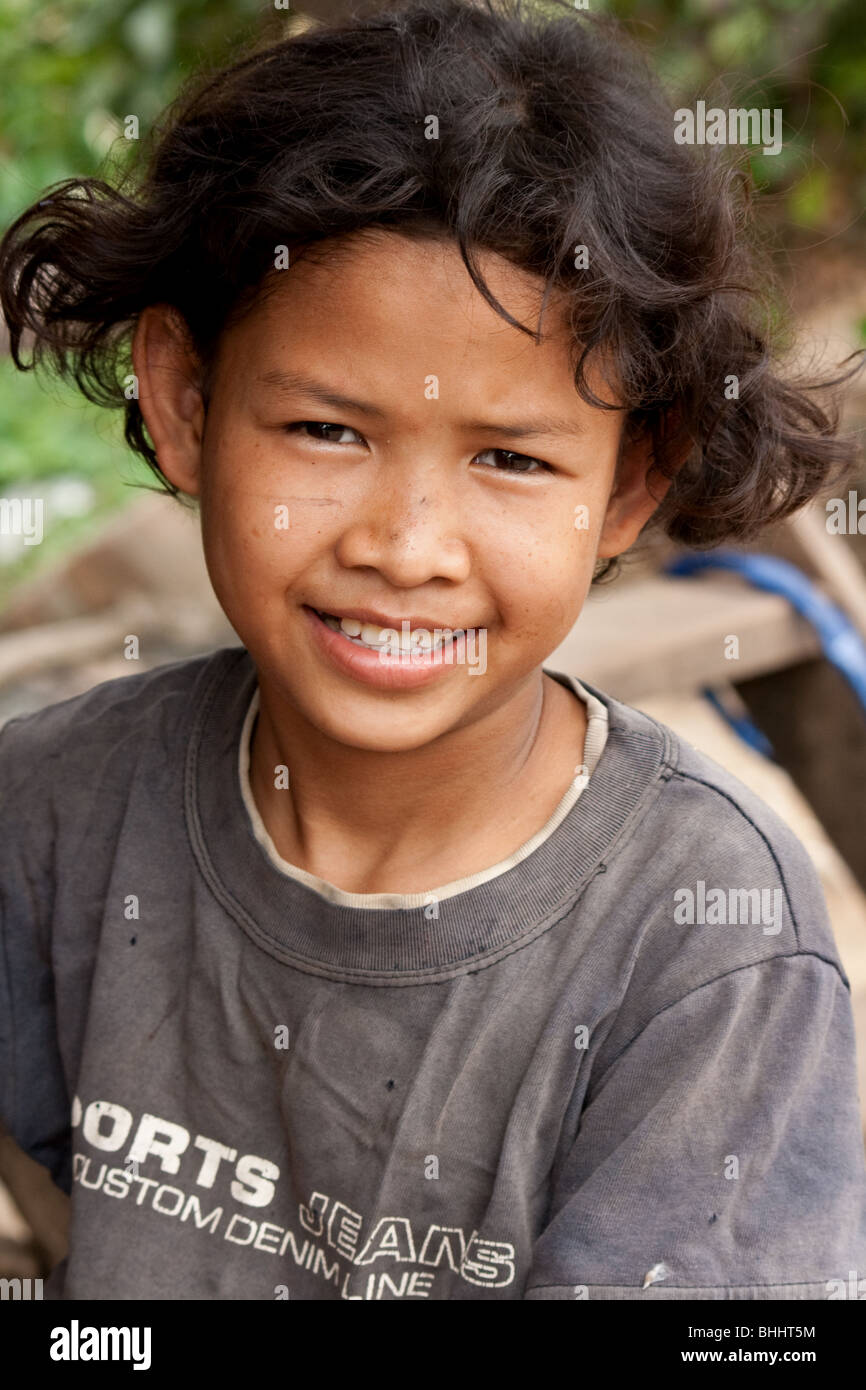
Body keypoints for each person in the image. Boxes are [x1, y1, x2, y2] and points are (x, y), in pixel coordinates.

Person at [1, 0, 864, 1301]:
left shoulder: (702, 943)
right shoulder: (50, 809)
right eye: (326, 432)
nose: (408, 546)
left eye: (510, 459)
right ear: (184, 404)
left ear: (629, 488)